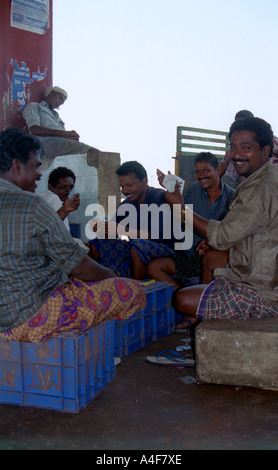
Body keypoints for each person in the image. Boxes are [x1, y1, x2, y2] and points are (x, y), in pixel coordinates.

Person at [0, 128, 146, 343]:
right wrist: (111, 275)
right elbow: (81, 268)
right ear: (17, 165)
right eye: (36, 166)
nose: (40, 173)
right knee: (132, 291)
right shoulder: (33, 205)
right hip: (27, 318)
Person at [166, 116, 278, 327]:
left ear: (265, 151)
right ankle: (200, 321)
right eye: (233, 147)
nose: (236, 154)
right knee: (210, 256)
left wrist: (180, 209)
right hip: (257, 272)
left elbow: (223, 235)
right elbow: (243, 230)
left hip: (263, 293)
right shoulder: (265, 178)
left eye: (246, 148)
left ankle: (204, 320)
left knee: (181, 299)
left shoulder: (257, 188)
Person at [148, 152, 235, 293]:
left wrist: (211, 243)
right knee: (154, 267)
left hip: (213, 257)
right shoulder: (194, 189)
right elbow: (182, 218)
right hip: (190, 256)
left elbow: (232, 234)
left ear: (218, 170)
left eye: (207, 170)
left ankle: (191, 300)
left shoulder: (232, 197)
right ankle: (181, 296)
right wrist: (173, 194)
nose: (201, 176)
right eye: (198, 172)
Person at [89, 160, 179, 280]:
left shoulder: (160, 198)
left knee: (136, 247)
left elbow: (156, 236)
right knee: (96, 244)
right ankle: (106, 287)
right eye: (122, 186)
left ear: (144, 181)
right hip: (138, 249)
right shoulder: (126, 205)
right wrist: (102, 228)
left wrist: (122, 229)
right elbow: (113, 229)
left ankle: (136, 291)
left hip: (170, 253)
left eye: (129, 185)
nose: (125, 191)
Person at [22, 86, 100, 166]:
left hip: (59, 142)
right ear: (51, 93)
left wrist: (69, 136)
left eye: (62, 102)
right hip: (46, 144)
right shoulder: (34, 106)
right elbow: (34, 129)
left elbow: (62, 134)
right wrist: (63, 133)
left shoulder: (56, 115)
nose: (60, 102)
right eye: (60, 98)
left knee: (90, 157)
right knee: (93, 152)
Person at [218, 109, 254, 183]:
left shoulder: (264, 141)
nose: (240, 127)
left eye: (244, 124)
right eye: (238, 124)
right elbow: (223, 165)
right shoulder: (232, 151)